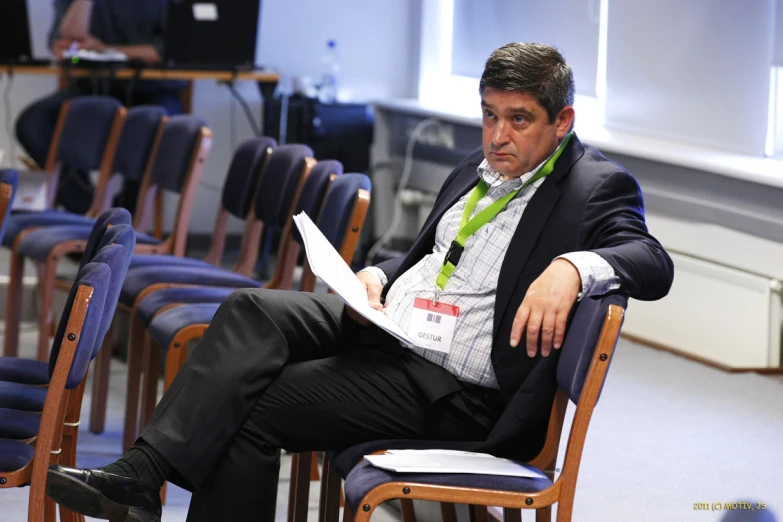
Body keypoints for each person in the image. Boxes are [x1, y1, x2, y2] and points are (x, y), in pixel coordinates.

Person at [45, 43, 675, 521]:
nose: (498, 136)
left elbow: (651, 261)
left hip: (452, 387)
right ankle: (140, 472)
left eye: (518, 120)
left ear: (562, 121)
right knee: (247, 310)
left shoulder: (596, 186)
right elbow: (429, 252)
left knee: (249, 405)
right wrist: (375, 276)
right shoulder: (482, 167)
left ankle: (138, 482)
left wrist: (572, 268)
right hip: (395, 327)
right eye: (489, 116)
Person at [14, 0, 185, 214]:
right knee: (34, 122)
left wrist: (108, 49)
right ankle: (87, 212)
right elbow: (65, 42)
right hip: (93, 86)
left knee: (149, 125)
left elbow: (171, 48)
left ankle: (123, 220)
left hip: (153, 89)